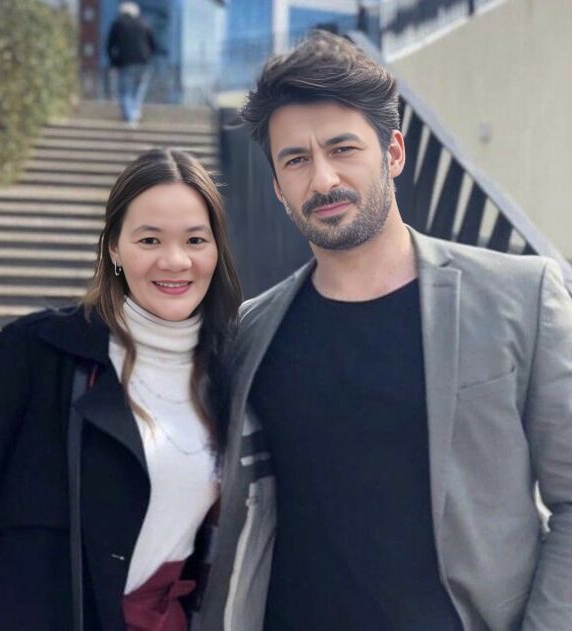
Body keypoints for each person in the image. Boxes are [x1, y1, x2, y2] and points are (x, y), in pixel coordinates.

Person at [198, 31, 572, 630]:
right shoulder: (252, 332)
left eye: (343, 149)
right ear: (277, 187)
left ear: (393, 153)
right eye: (296, 160)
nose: (323, 180)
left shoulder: (520, 297)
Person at [0, 148, 242, 630]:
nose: (174, 260)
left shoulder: (231, 370)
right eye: (149, 239)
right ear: (114, 249)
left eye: (195, 239)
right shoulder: (36, 353)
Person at [107, 2, 159, 125]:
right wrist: (149, 57)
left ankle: (130, 117)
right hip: (143, 62)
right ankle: (135, 113)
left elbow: (110, 45)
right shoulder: (144, 24)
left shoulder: (117, 24)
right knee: (139, 89)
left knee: (125, 91)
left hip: (125, 63)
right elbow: (153, 44)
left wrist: (113, 61)